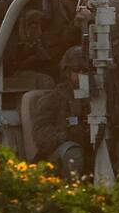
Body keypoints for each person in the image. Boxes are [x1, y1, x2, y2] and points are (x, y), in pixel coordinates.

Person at [32, 47, 90, 178]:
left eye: (85, 71)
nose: (82, 75)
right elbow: (40, 133)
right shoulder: (53, 98)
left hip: (90, 147)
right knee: (73, 154)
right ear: (67, 72)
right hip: (61, 153)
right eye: (76, 70)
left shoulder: (95, 97)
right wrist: (65, 135)